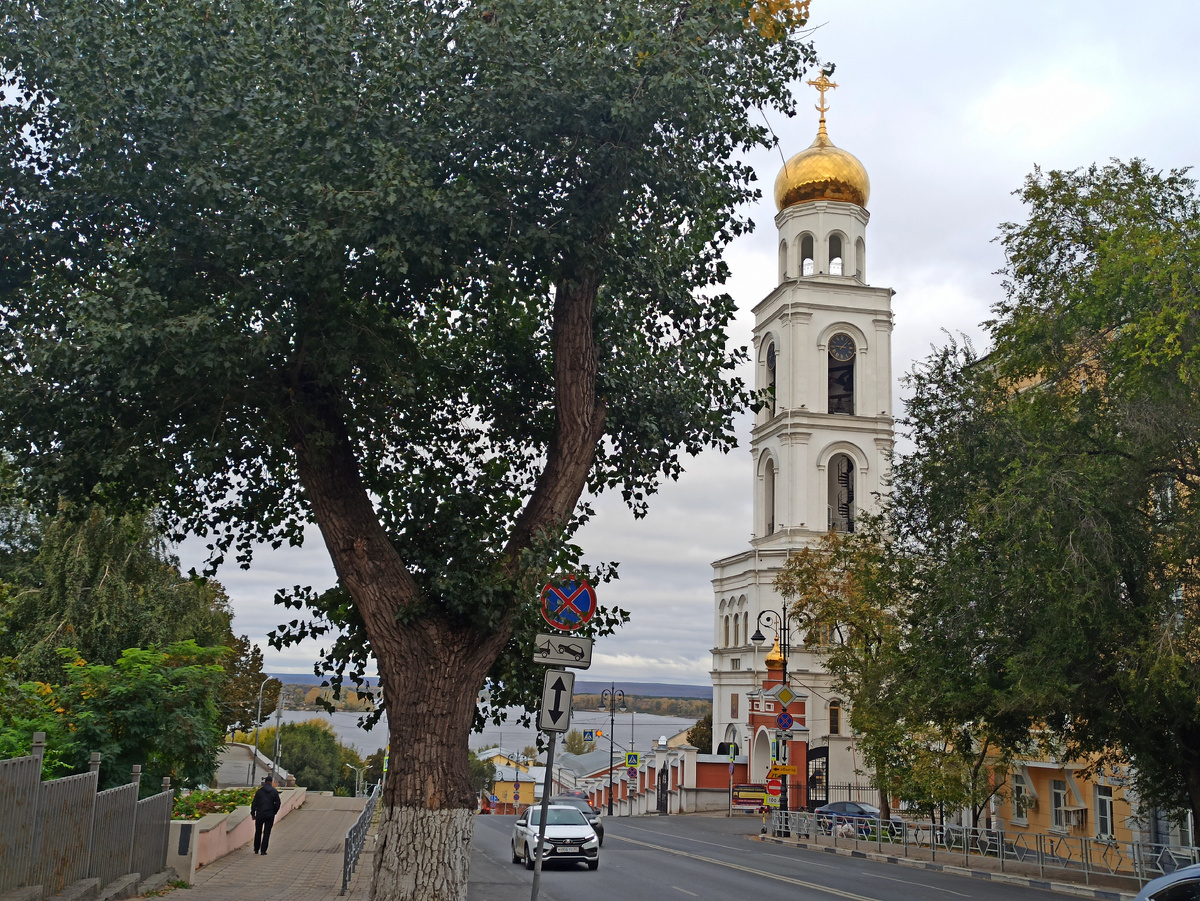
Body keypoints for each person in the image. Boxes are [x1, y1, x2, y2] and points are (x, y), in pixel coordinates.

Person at [250, 775, 282, 855]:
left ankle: (256, 849)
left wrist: (253, 813)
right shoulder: (274, 792)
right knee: (267, 832)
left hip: (260, 814)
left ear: (265, 782)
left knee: (258, 831)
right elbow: (278, 803)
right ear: (271, 782)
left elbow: (254, 803)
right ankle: (263, 850)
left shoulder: (259, 792)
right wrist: (274, 812)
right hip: (270, 814)